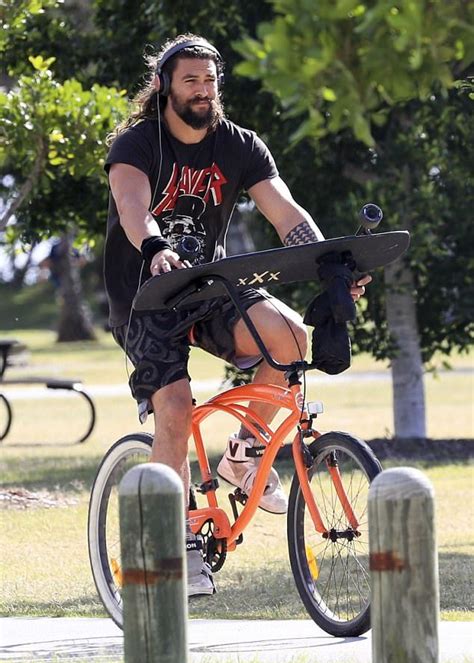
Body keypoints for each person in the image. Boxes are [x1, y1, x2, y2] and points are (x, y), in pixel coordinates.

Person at [104, 34, 371, 597]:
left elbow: (284, 210)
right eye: (190, 81)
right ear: (164, 86)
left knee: (292, 339)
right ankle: (176, 543)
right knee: (174, 407)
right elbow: (133, 209)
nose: (203, 91)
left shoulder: (240, 146)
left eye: (210, 80)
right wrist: (154, 247)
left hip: (208, 289)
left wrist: (328, 265)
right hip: (146, 299)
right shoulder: (136, 144)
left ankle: (244, 454)